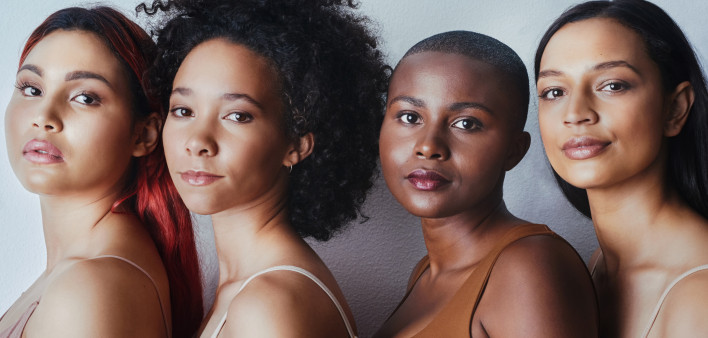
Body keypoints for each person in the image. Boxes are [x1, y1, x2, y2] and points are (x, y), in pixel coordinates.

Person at [137, 0, 388, 336]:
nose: (198, 141)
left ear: (296, 145)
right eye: (183, 110)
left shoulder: (269, 305)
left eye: (237, 116)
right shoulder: (246, 287)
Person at [374, 30, 599, 337]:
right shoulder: (425, 273)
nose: (428, 146)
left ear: (514, 150)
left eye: (466, 123)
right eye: (410, 117)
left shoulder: (529, 267)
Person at [0, 7, 203, 338]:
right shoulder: (79, 272)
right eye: (32, 88)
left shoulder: (89, 289)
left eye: (85, 97)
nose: (44, 116)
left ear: (144, 135)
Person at [535, 0, 708, 336]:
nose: (575, 113)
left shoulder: (701, 295)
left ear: (675, 108)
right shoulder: (598, 264)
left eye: (612, 85)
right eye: (554, 91)